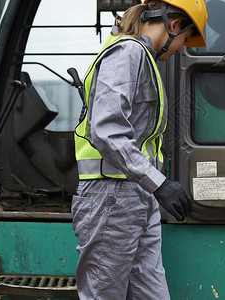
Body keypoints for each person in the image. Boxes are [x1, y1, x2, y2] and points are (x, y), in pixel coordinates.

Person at [71, 0, 207, 299]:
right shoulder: (127, 53)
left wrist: (153, 186)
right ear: (173, 26)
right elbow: (107, 130)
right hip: (110, 197)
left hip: (136, 195)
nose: (178, 50)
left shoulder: (141, 57)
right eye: (183, 41)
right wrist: (159, 183)